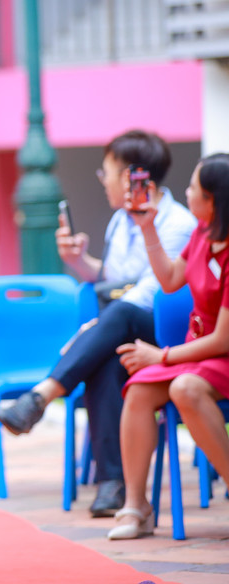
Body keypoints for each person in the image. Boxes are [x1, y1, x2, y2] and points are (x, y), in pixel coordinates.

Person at [0, 130, 197, 517]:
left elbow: (154, 293)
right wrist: (79, 261)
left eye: (107, 172)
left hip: (167, 334)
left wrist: (97, 325)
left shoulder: (176, 224)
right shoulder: (121, 222)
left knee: (115, 320)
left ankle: (42, 396)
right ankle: (112, 485)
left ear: (132, 176)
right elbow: (112, 279)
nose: (103, 182)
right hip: (125, 328)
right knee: (106, 358)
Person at [108, 153, 229, 539]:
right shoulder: (203, 234)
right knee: (140, 389)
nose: (186, 193)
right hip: (201, 352)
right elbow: (170, 279)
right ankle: (136, 506)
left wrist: (159, 355)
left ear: (211, 200)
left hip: (220, 354)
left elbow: (224, 339)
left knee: (183, 387)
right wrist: (147, 228)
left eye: (193, 187)